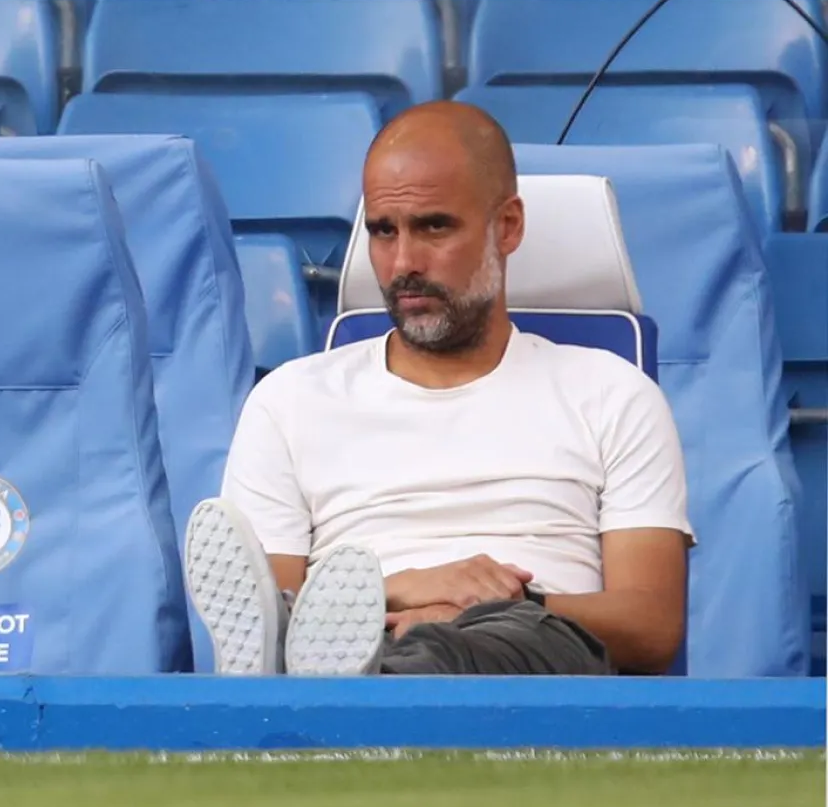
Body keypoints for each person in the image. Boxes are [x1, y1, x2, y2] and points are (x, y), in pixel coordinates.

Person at [184, 101, 693, 676]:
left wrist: (487, 604)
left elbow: (650, 626)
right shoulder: (289, 400)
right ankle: (366, 672)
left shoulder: (612, 393)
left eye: (434, 227)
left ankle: (367, 686)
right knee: (302, 635)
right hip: (365, 634)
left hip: (533, 641)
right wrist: (398, 589)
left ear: (507, 227)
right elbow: (263, 609)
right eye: (383, 231)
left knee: (477, 640)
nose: (404, 262)